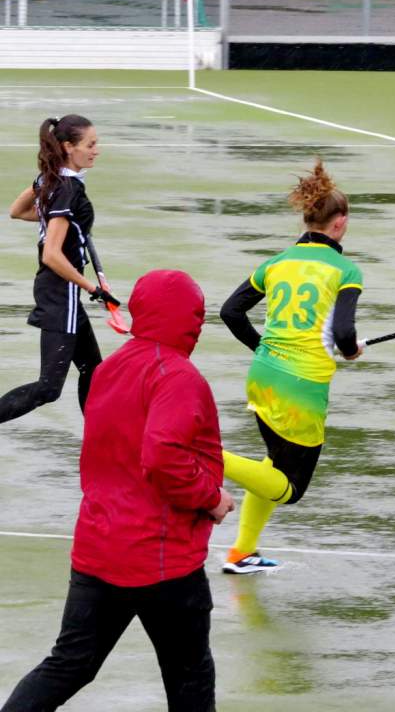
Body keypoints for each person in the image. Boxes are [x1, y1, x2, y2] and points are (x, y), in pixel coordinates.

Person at [1, 269, 235, 712]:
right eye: (197, 315)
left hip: (99, 547)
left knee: (69, 663)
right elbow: (163, 455)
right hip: (162, 559)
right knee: (190, 676)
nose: (200, 324)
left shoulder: (110, 369)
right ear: (185, 319)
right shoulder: (178, 376)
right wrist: (211, 497)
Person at [219, 158, 363, 574]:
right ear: (339, 224)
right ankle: (206, 456)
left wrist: (265, 349)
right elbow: (345, 335)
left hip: (263, 377)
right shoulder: (345, 270)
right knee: (291, 488)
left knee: (271, 465)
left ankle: (241, 551)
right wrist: (351, 351)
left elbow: (231, 312)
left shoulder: (276, 263)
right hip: (302, 387)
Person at [1, 114, 121, 424]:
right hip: (61, 291)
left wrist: (54, 214)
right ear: (68, 147)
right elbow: (52, 255)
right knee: (48, 388)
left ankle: (99, 440)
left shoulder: (50, 180)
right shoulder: (66, 188)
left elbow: (17, 211)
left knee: (94, 369)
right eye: (90, 145)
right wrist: (93, 288)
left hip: (60, 291)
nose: (97, 150)